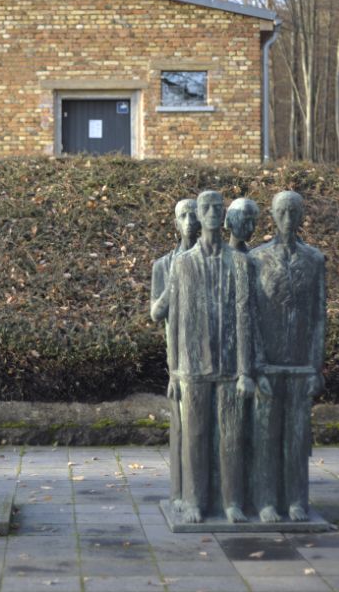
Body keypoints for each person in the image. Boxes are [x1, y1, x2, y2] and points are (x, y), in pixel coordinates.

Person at [165, 190, 256, 523]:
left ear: (224, 214)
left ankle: (232, 501)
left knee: (231, 436)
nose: (213, 212)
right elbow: (174, 320)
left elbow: (246, 316)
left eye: (219, 208)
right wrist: (174, 373)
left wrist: (246, 370)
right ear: (199, 214)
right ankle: (194, 501)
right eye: (207, 208)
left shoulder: (240, 263)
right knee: (196, 437)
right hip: (191, 368)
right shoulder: (183, 263)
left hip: (231, 367)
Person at [248, 191, 326, 522]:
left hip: (300, 365)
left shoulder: (314, 259)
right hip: (269, 364)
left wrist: (316, 367)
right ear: (272, 214)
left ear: (302, 215)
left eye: (294, 210)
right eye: (282, 210)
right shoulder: (256, 259)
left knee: (296, 438)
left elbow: (320, 315)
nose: (288, 216)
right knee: (266, 438)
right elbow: (249, 315)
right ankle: (265, 501)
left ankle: (296, 500)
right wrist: (256, 364)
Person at [150, 198, 199, 508]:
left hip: (208, 355)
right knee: (181, 430)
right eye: (183, 214)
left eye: (193, 213)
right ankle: (180, 493)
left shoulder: (213, 260)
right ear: (175, 223)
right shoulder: (163, 265)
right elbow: (156, 313)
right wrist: (173, 282)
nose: (190, 219)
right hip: (178, 358)